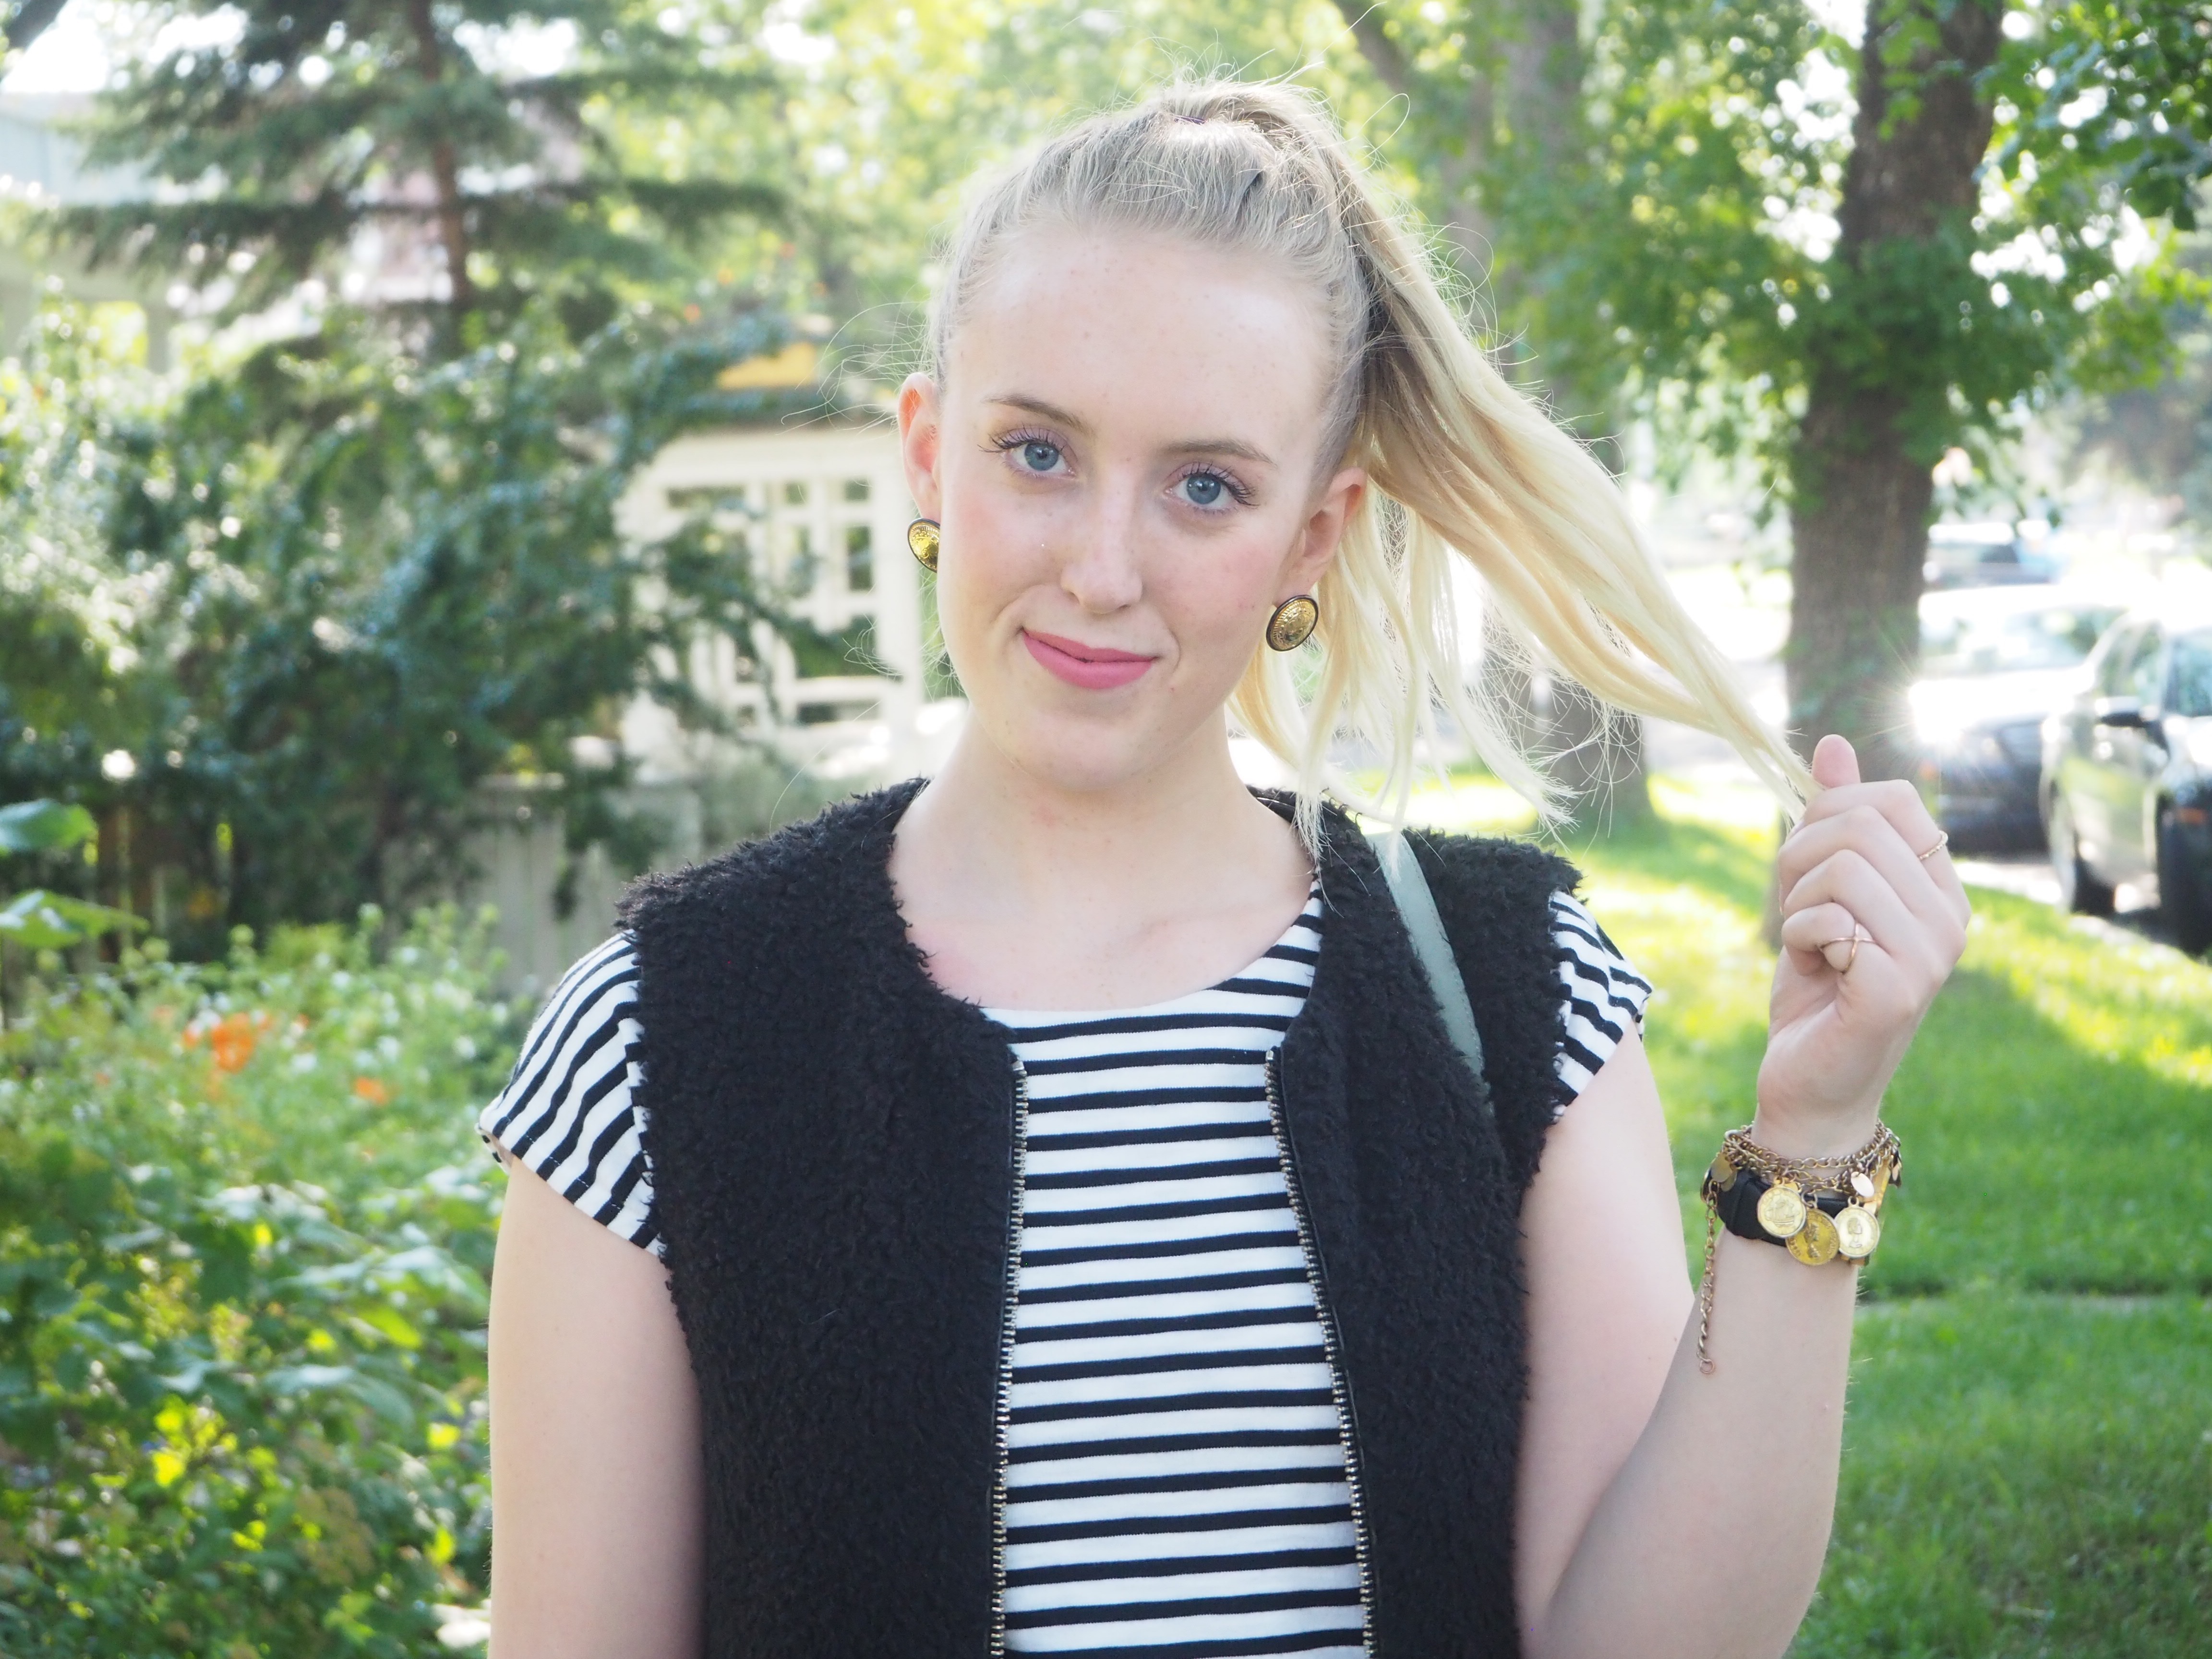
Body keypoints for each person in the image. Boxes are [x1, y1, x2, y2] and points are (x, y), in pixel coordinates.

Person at [480, 82, 1969, 1659]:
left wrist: (1815, 1135)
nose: (1102, 568)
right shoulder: (658, 1040)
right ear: (927, 456)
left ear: (1315, 539)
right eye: (1036, 451)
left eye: (1206, 486)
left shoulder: (1520, 993)